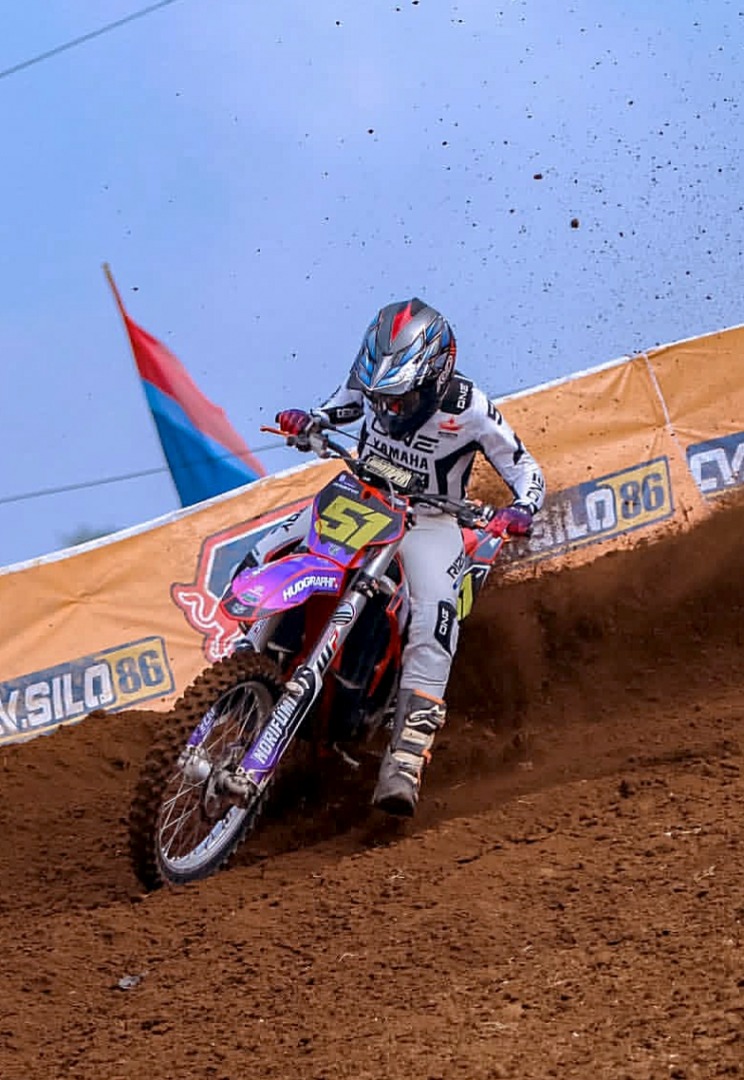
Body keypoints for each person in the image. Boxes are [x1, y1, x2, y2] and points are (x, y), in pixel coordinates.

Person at [270, 298, 546, 816]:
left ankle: (405, 757)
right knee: (273, 547)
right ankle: (243, 663)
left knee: (434, 616)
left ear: (436, 377)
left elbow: (525, 468)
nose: (388, 410)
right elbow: (342, 404)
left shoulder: (470, 407)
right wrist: (310, 420)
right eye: (381, 398)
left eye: (401, 399)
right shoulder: (372, 380)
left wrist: (521, 509)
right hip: (362, 496)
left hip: (430, 522)